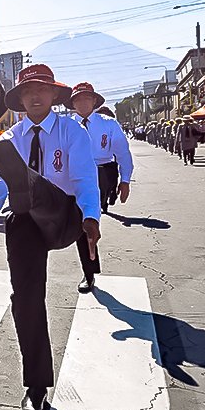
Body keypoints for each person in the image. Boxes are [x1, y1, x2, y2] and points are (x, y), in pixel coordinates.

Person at [0, 64, 100, 410]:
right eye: (28, 91)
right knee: (25, 299)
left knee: (32, 186)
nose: (34, 96)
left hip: (62, 215)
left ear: (54, 94)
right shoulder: (11, 137)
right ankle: (37, 385)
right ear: (20, 99)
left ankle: (27, 185)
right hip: (26, 222)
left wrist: (91, 216)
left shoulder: (71, 131)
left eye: (41, 89)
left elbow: (85, 176)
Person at [66, 82, 134, 293]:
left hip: (103, 173)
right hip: (77, 175)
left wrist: (125, 180)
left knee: (91, 217)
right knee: (82, 223)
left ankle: (94, 222)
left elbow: (123, 153)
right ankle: (89, 272)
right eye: (77, 99)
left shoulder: (109, 124)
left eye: (86, 98)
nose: (82, 103)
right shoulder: (67, 125)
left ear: (94, 101)